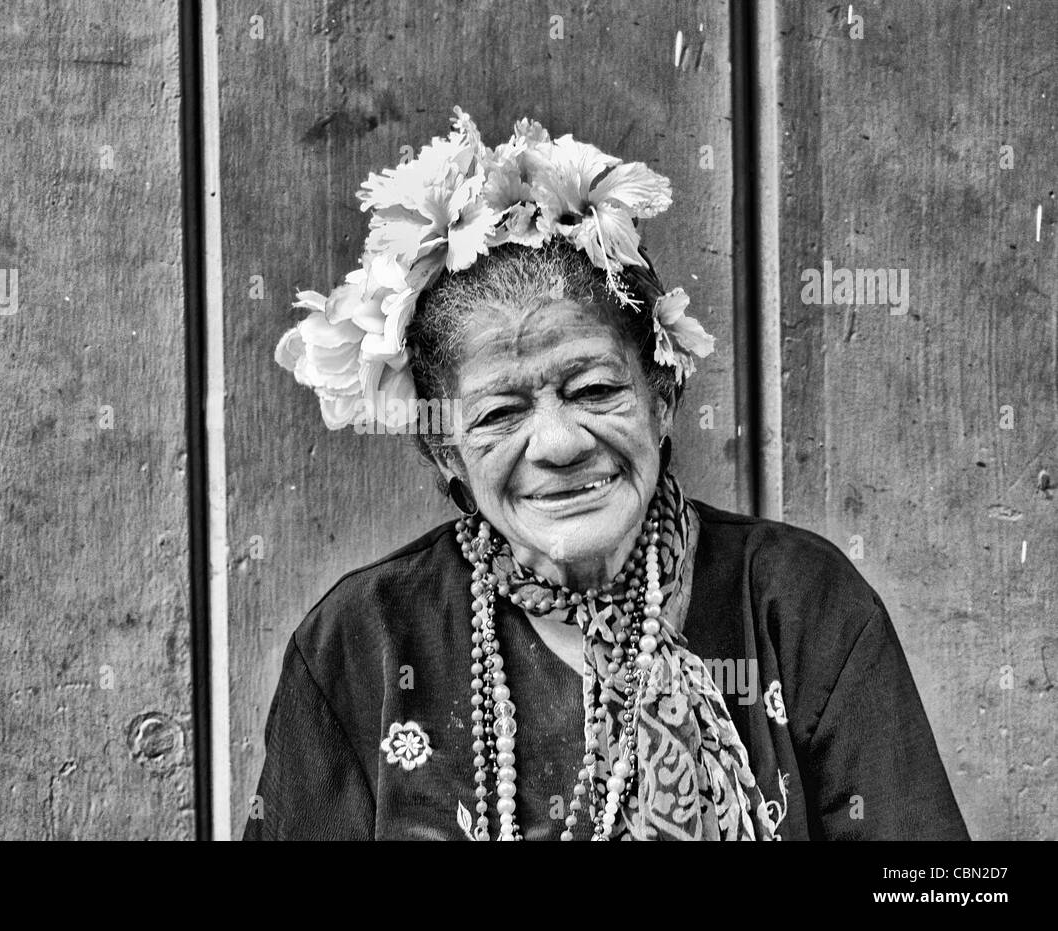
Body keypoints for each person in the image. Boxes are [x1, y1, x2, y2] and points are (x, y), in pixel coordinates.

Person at [252, 108, 969, 840]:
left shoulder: (800, 605)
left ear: (663, 399)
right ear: (446, 453)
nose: (560, 444)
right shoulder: (361, 643)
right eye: (500, 412)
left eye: (595, 390)